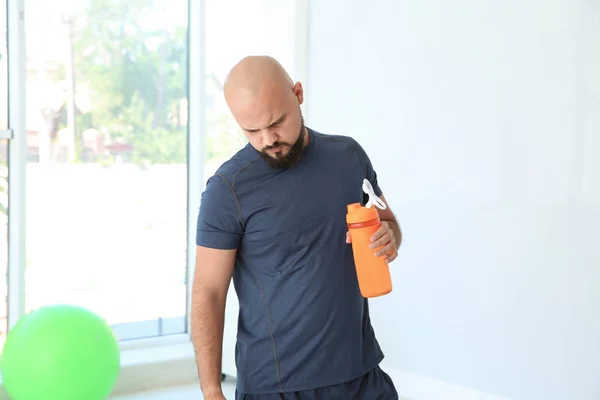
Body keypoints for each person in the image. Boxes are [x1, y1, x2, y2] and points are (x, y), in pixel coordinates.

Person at [191, 55, 402, 400]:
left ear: (298, 94)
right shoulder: (226, 190)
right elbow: (208, 294)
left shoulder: (349, 157)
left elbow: (388, 221)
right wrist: (212, 390)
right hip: (278, 388)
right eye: (252, 130)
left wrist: (389, 236)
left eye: (277, 122)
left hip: (363, 376)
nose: (268, 139)